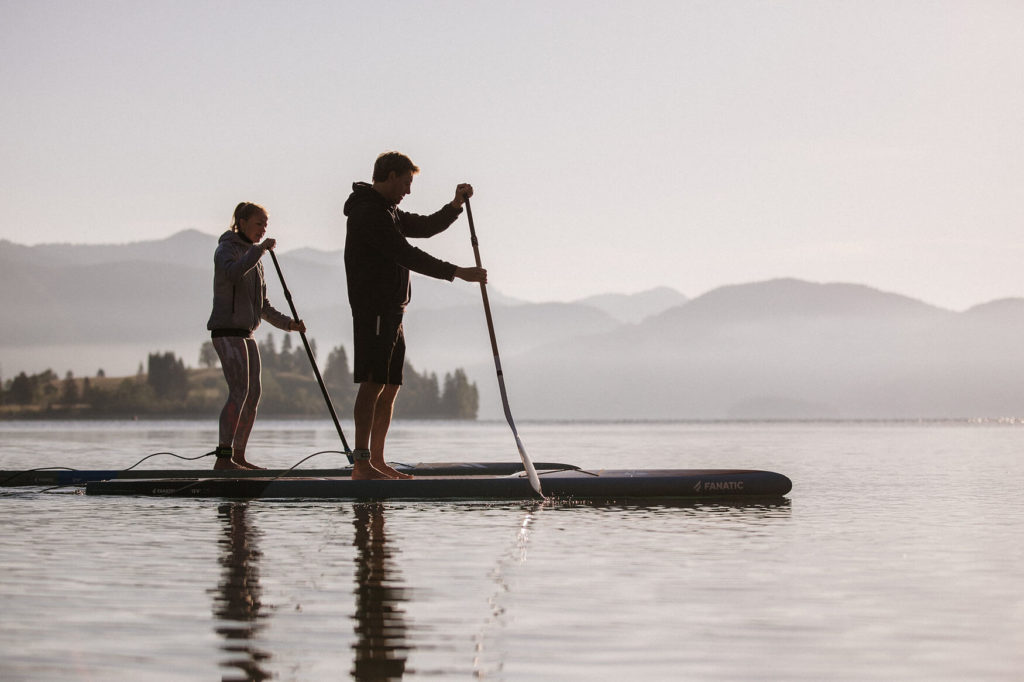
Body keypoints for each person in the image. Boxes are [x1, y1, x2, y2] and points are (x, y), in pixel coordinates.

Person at [344, 152, 487, 480]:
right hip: (374, 308)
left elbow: (424, 226)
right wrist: (456, 272)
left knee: (391, 385)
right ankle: (361, 464)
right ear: (391, 176)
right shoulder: (368, 213)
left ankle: (377, 461)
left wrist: (454, 206)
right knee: (373, 383)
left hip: (394, 308)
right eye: (406, 182)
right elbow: (405, 253)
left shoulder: (388, 212)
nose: (408, 190)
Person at [207, 202, 306, 470]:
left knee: (253, 394)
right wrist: (259, 250)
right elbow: (232, 272)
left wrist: (289, 324)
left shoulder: (255, 258)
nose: (263, 229)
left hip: (247, 334)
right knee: (239, 391)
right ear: (241, 222)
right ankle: (223, 458)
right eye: (258, 223)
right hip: (227, 332)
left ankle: (238, 456)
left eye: (265, 224)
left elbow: (262, 306)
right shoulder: (226, 249)